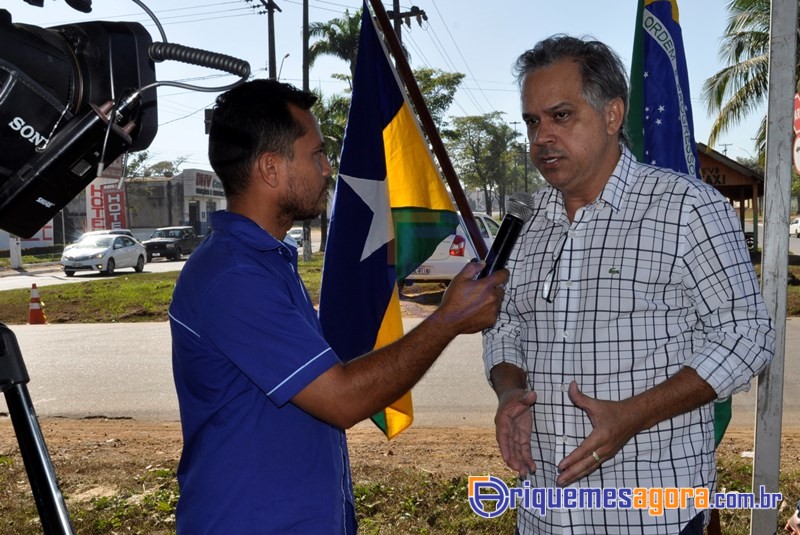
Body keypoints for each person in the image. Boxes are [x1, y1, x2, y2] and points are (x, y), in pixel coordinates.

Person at [168, 79, 508, 534]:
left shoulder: (265, 261)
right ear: (271, 168)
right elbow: (342, 399)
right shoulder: (235, 277)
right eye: (315, 154)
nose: (327, 168)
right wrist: (447, 321)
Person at [482, 35, 775, 534]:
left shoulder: (687, 210)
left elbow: (748, 336)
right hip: (543, 514)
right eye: (532, 122)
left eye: (561, 116)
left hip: (648, 514)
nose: (541, 138)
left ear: (612, 115)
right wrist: (511, 392)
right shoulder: (528, 226)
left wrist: (633, 415)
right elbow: (505, 324)